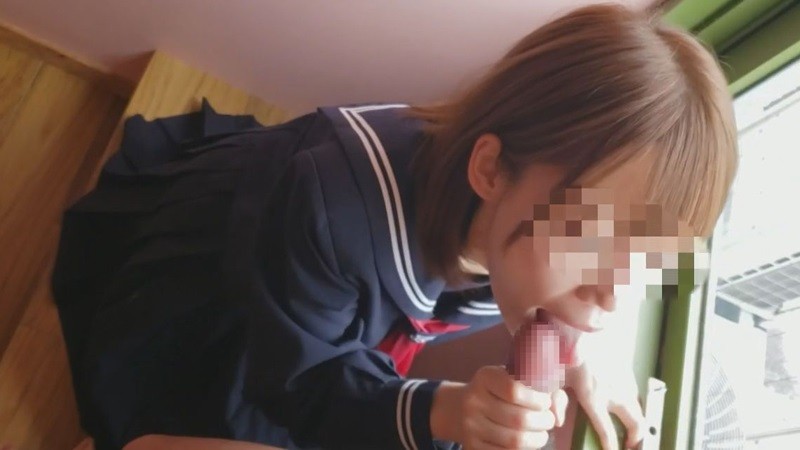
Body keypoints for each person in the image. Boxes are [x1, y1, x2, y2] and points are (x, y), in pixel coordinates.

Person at [52, 3, 738, 450]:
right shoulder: (329, 210)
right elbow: (302, 378)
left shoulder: (520, 245)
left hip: (332, 292)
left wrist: (581, 356)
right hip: (246, 267)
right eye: (591, 242)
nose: (612, 296)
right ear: (491, 169)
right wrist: (443, 411)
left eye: (646, 261)